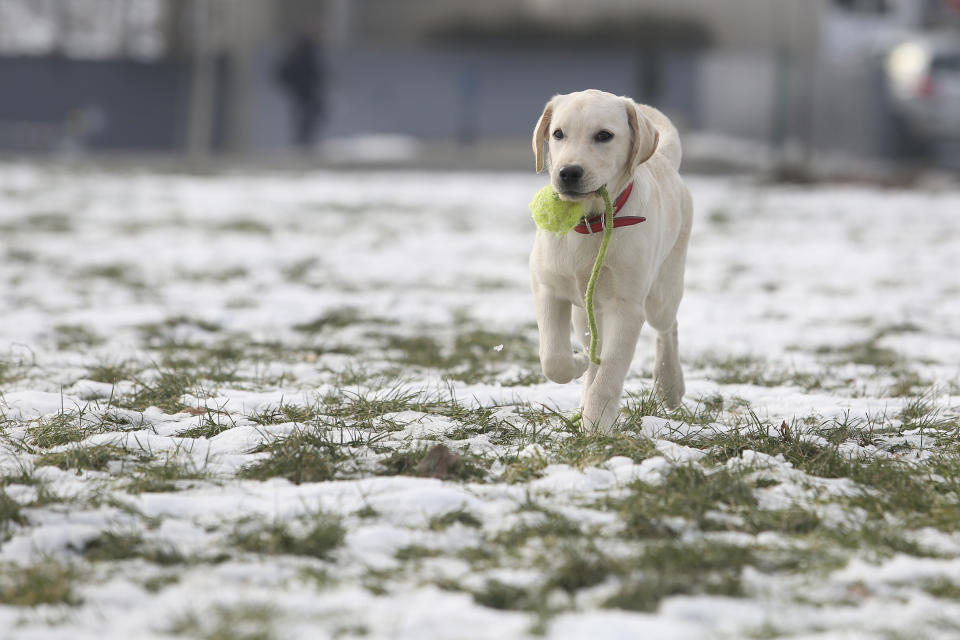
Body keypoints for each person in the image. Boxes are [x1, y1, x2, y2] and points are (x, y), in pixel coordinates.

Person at [275, 34, 326, 149]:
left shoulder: (304, 57)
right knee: (307, 116)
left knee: (311, 115)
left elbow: (316, 72)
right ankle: (302, 141)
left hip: (305, 92)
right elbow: (284, 74)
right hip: (303, 92)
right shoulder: (300, 58)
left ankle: (303, 140)